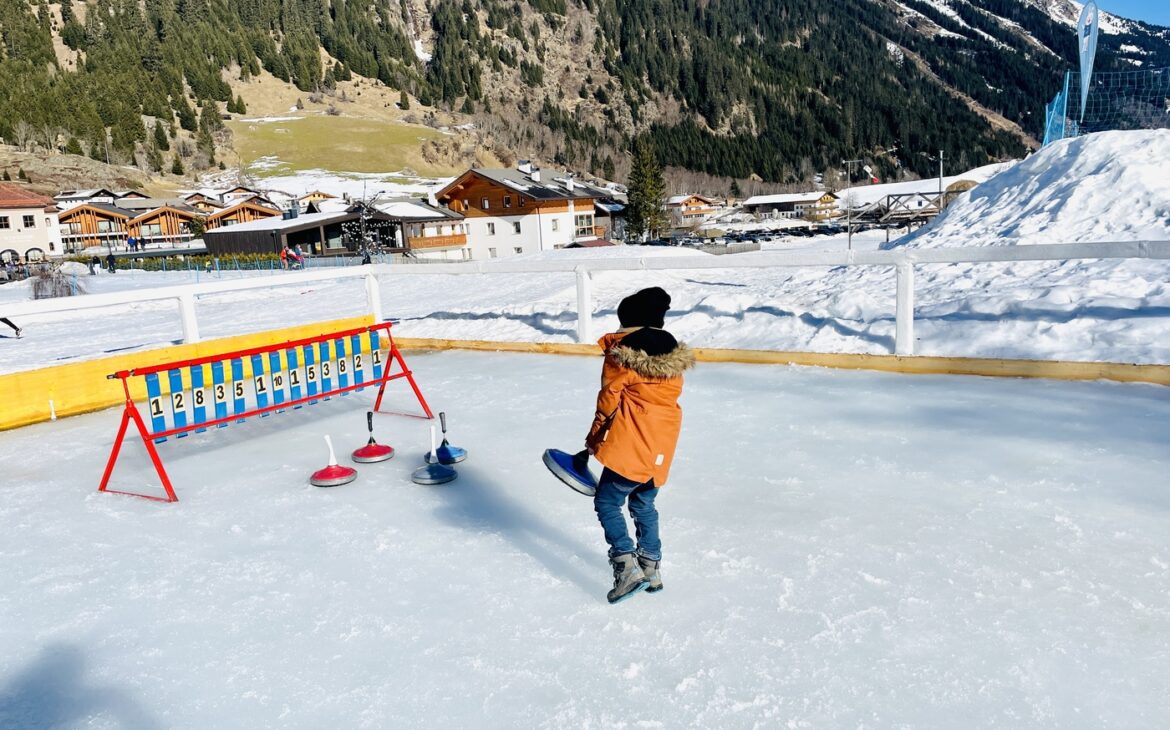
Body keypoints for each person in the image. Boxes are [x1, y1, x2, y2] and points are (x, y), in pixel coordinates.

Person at [584, 286, 695, 604]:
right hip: (662, 445)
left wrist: (594, 438)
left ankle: (626, 568)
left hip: (631, 445)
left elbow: (608, 400)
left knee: (607, 502)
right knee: (644, 503)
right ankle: (651, 568)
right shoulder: (670, 358)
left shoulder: (622, 353)